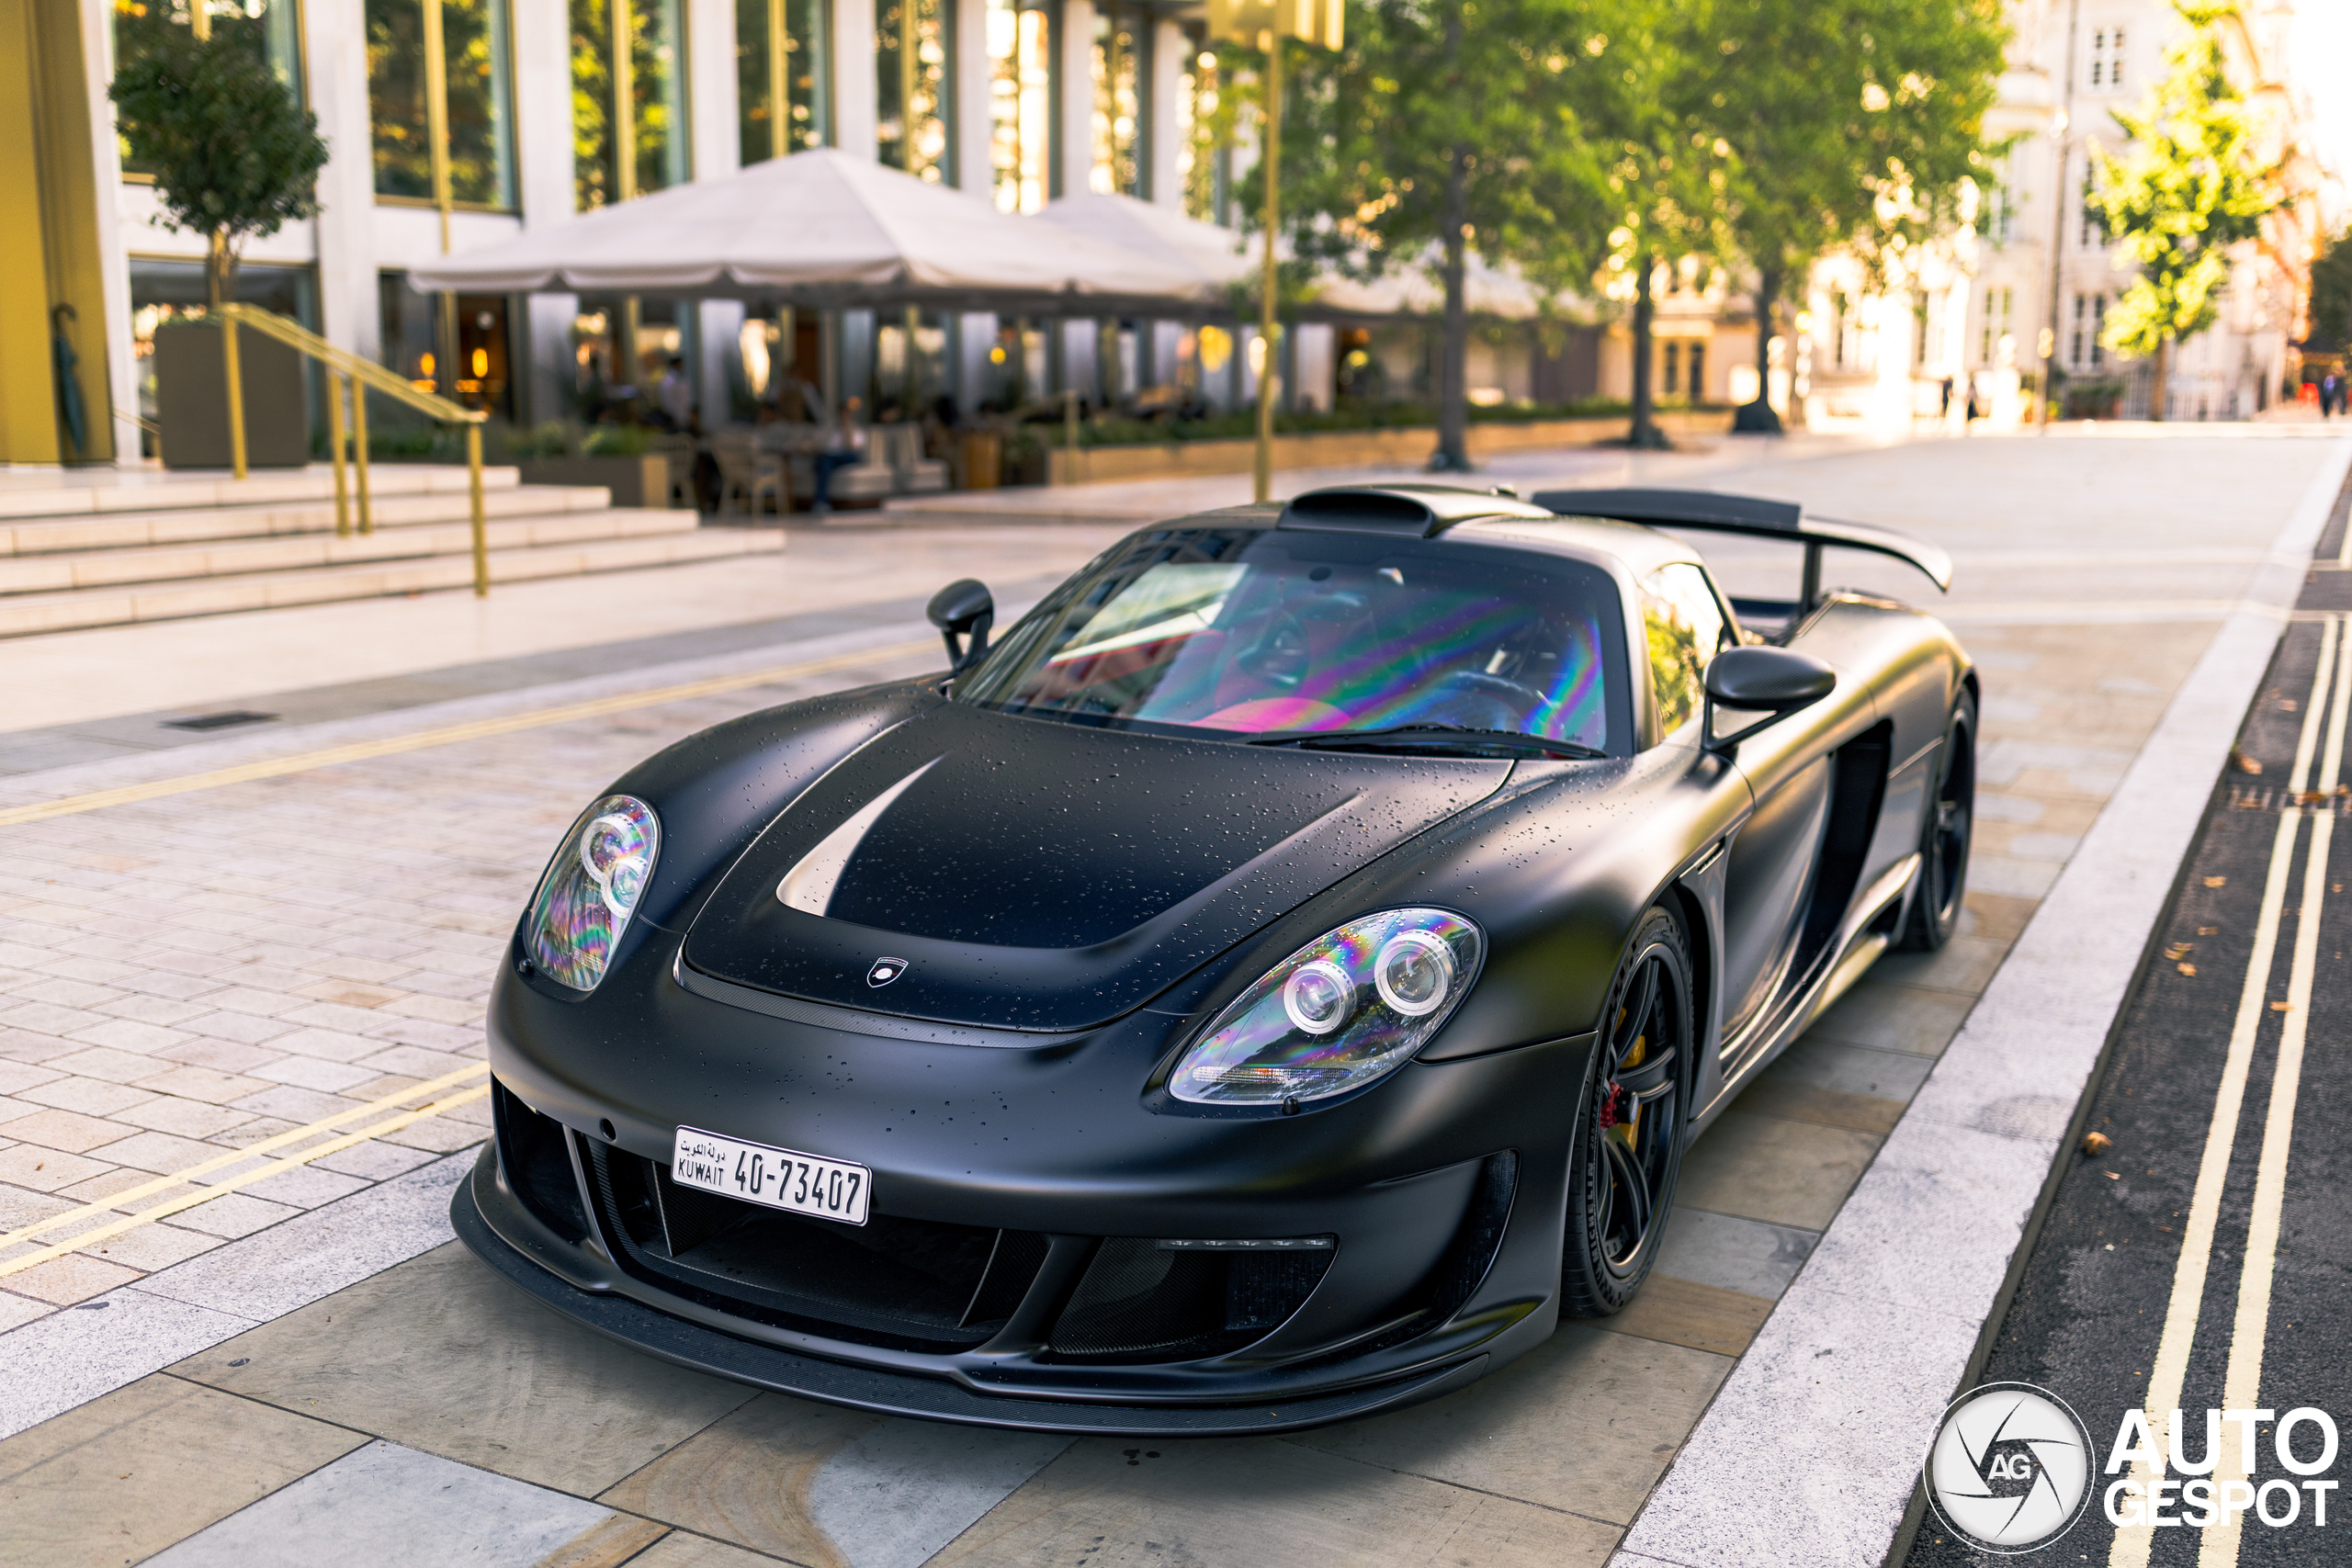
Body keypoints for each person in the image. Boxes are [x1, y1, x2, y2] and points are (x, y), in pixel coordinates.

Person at [811, 395, 867, 515]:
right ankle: (821, 503)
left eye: (845, 413)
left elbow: (855, 447)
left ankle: (820, 501)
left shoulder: (856, 428)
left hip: (849, 456)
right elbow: (822, 444)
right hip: (832, 457)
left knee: (826, 460)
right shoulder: (831, 428)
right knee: (825, 461)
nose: (843, 416)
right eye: (841, 413)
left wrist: (847, 429)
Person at [657, 355, 693, 429]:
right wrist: (673, 417)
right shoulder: (669, 382)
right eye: (680, 365)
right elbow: (668, 402)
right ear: (676, 365)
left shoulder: (680, 379)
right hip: (674, 419)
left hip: (682, 417)